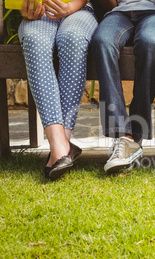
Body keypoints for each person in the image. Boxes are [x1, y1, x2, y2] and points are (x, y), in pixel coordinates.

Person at [18, 0, 98, 180]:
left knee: (73, 38)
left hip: (80, 10)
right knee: (33, 40)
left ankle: (61, 148)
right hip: (39, 12)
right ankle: (60, 146)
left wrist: (71, 7)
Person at [91, 0, 155, 173]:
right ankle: (123, 135)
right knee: (102, 41)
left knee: (150, 43)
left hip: (154, 13)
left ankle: (135, 134)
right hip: (119, 12)